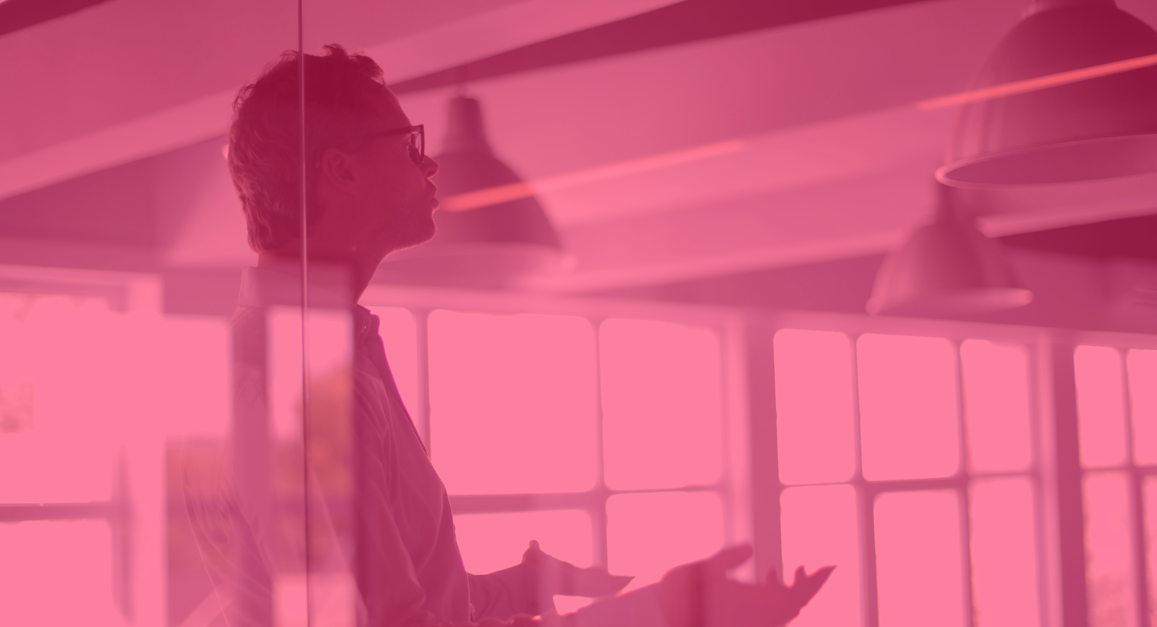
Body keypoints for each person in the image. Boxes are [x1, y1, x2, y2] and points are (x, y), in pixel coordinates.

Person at [222, 44, 832, 627]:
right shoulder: (295, 381)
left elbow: (415, 604)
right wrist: (662, 614)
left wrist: (528, 583)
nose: (429, 162)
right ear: (341, 170)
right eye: (409, 144)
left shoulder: (322, 354)